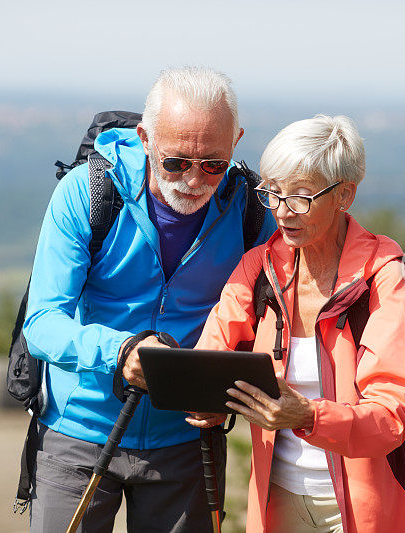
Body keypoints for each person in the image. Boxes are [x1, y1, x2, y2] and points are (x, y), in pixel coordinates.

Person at [22, 67, 275, 533]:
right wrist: (119, 353)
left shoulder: (252, 211)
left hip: (187, 437)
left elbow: (276, 323)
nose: (195, 180)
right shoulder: (86, 192)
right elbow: (41, 321)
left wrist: (228, 393)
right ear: (144, 137)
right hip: (79, 432)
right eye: (176, 162)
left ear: (236, 142)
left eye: (214, 164)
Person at [191, 115, 405, 532]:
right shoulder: (259, 267)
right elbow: (208, 358)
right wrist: (207, 400)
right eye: (273, 192)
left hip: (365, 509)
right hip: (277, 503)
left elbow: (393, 414)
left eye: (301, 196)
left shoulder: (385, 278)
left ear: (345, 195)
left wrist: (307, 416)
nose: (281, 210)